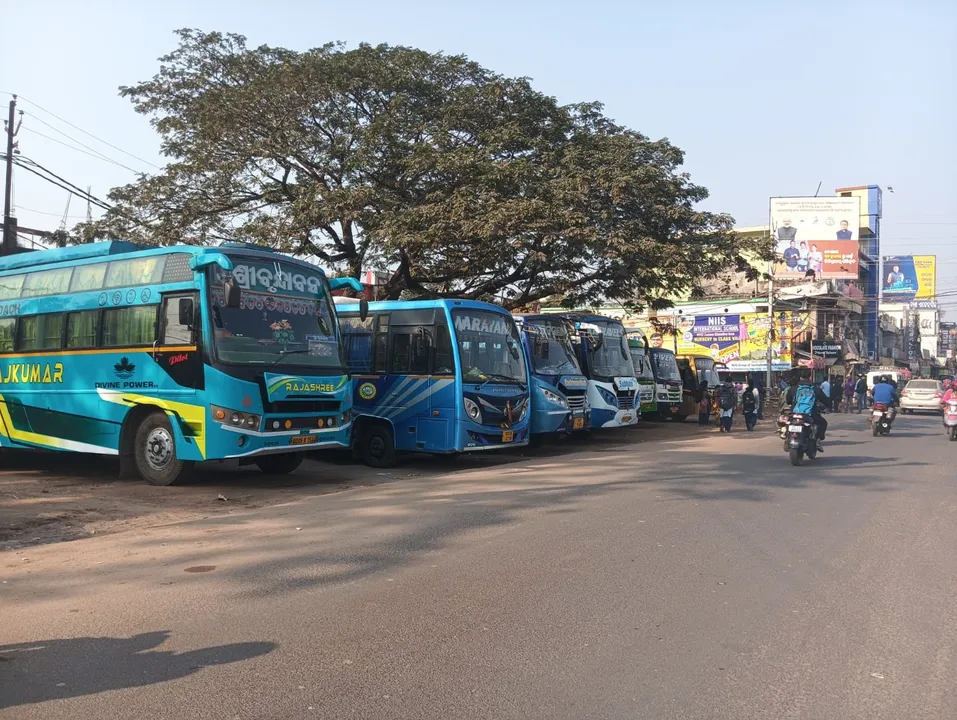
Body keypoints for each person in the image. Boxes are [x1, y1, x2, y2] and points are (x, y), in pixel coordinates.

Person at [787, 368, 829, 450]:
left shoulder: (794, 388)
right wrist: (827, 406)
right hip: (810, 414)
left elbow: (788, 399)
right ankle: (817, 442)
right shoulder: (814, 388)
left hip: (795, 413)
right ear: (810, 376)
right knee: (823, 423)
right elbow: (825, 399)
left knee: (788, 422)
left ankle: (786, 438)